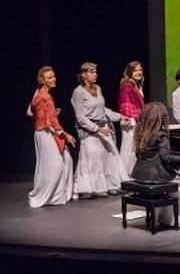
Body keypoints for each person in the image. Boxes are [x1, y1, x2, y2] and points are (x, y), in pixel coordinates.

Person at [130, 102, 180, 227]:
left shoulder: (141, 134)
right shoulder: (161, 135)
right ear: (163, 118)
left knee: (177, 180)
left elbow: (141, 155)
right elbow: (166, 158)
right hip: (156, 177)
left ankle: (166, 216)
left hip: (141, 175)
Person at [72, 62, 129, 198]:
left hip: (103, 126)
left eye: (95, 72)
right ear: (83, 75)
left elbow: (103, 109)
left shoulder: (98, 88)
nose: (95, 74)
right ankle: (86, 189)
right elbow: (80, 117)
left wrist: (119, 116)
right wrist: (97, 129)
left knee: (110, 154)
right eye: (91, 72)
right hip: (89, 129)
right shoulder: (78, 92)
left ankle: (110, 185)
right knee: (92, 158)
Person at [28, 66, 76, 207]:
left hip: (43, 132)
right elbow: (50, 123)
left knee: (65, 160)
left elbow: (32, 112)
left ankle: (61, 194)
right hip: (45, 133)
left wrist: (51, 112)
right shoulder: (44, 96)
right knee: (55, 165)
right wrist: (66, 134)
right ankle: (50, 196)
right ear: (42, 80)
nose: (53, 79)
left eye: (54, 76)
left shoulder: (40, 94)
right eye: (50, 77)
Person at [118, 61, 145, 175]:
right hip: (129, 122)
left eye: (140, 70)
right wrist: (131, 119)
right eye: (135, 70)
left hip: (137, 122)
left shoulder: (137, 85)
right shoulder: (127, 86)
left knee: (134, 151)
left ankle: (133, 176)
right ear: (130, 72)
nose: (138, 72)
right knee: (128, 150)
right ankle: (125, 177)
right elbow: (125, 106)